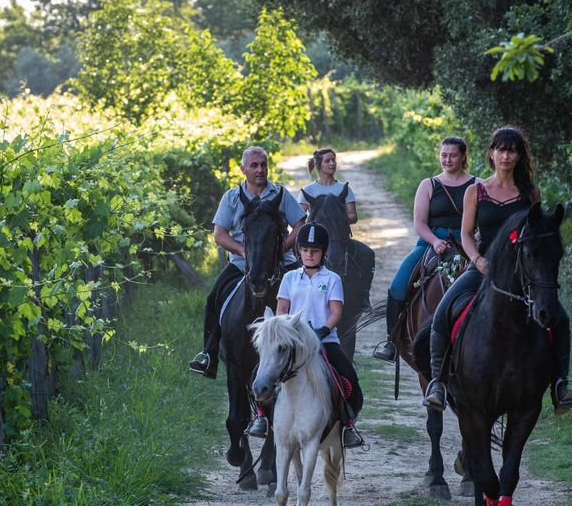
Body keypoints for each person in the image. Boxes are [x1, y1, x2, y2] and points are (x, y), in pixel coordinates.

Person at [423, 126, 572, 414]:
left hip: (521, 275)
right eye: (500, 149)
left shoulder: (529, 192)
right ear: (491, 154)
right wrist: (477, 260)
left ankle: (561, 384)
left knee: (561, 318)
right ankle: (438, 381)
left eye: (511, 150)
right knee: (443, 312)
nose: (505, 156)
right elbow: (467, 234)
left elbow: (536, 233)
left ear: (519, 156)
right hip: (483, 267)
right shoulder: (476, 191)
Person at [189, 146, 306, 379]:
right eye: (254, 165)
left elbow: (301, 223)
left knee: (304, 292)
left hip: (281, 262)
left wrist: (280, 248)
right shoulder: (231, 198)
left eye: (263, 164)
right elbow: (220, 234)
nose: (260, 169)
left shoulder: (279, 194)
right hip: (242, 263)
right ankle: (209, 354)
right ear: (243, 169)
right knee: (214, 298)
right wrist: (245, 252)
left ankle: (316, 349)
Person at [253, 222, 364, 448]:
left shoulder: (332, 279)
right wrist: (284, 332)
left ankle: (347, 425)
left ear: (322, 252)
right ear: (299, 251)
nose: (309, 254)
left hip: (324, 341)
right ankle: (262, 417)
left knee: (349, 378)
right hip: (292, 342)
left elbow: (336, 312)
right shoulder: (289, 278)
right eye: (305, 250)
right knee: (260, 372)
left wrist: (322, 331)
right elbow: (282, 310)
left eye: (314, 251)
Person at [373, 137, 475, 361]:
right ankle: (391, 342)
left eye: (453, 155)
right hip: (431, 241)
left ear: (463, 157)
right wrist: (434, 241)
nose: (447, 160)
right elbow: (419, 222)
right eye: (443, 155)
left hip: (467, 243)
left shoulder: (477, 185)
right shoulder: (429, 184)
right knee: (398, 285)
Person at [297, 147, 358, 224]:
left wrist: (335, 219)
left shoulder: (344, 188)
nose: (332, 163)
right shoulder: (308, 190)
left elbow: (353, 216)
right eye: (327, 161)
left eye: (333, 160)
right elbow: (299, 218)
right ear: (319, 165)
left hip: (339, 234)